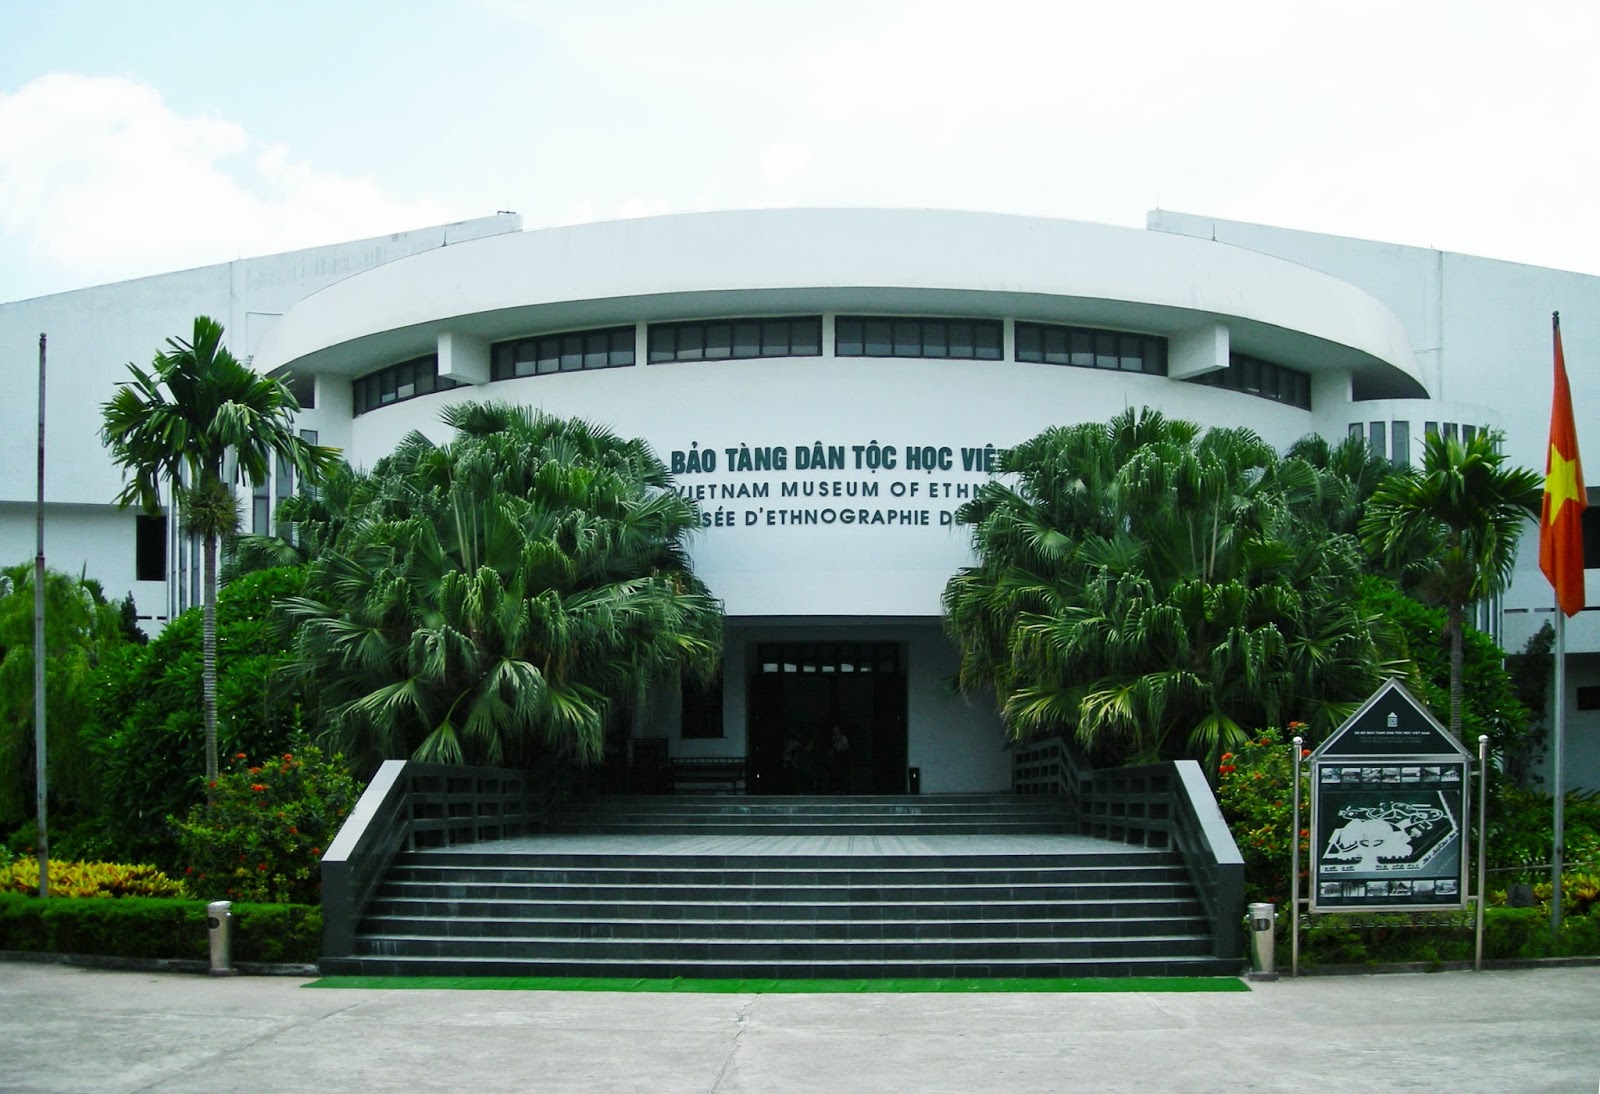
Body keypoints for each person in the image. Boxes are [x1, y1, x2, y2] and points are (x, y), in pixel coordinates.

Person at [830, 724, 850, 792]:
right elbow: (833, 746)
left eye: (835, 728)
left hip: (842, 755)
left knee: (842, 772)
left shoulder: (843, 737)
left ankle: (843, 788)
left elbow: (846, 747)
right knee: (836, 772)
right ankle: (837, 788)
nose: (834, 730)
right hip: (836, 756)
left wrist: (840, 747)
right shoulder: (834, 737)